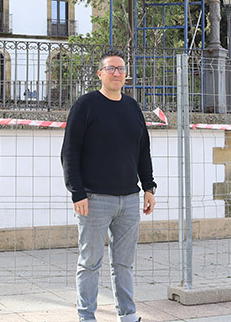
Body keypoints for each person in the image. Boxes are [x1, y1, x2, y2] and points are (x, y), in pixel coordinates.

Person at [61, 49, 157, 322]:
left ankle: (128, 315)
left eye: (121, 69)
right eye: (111, 68)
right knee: (89, 263)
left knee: (124, 264)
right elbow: (69, 152)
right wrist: (77, 192)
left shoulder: (133, 108)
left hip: (129, 200)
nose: (117, 73)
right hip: (94, 199)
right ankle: (86, 317)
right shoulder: (85, 106)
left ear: (126, 75)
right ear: (100, 73)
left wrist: (149, 188)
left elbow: (143, 152)